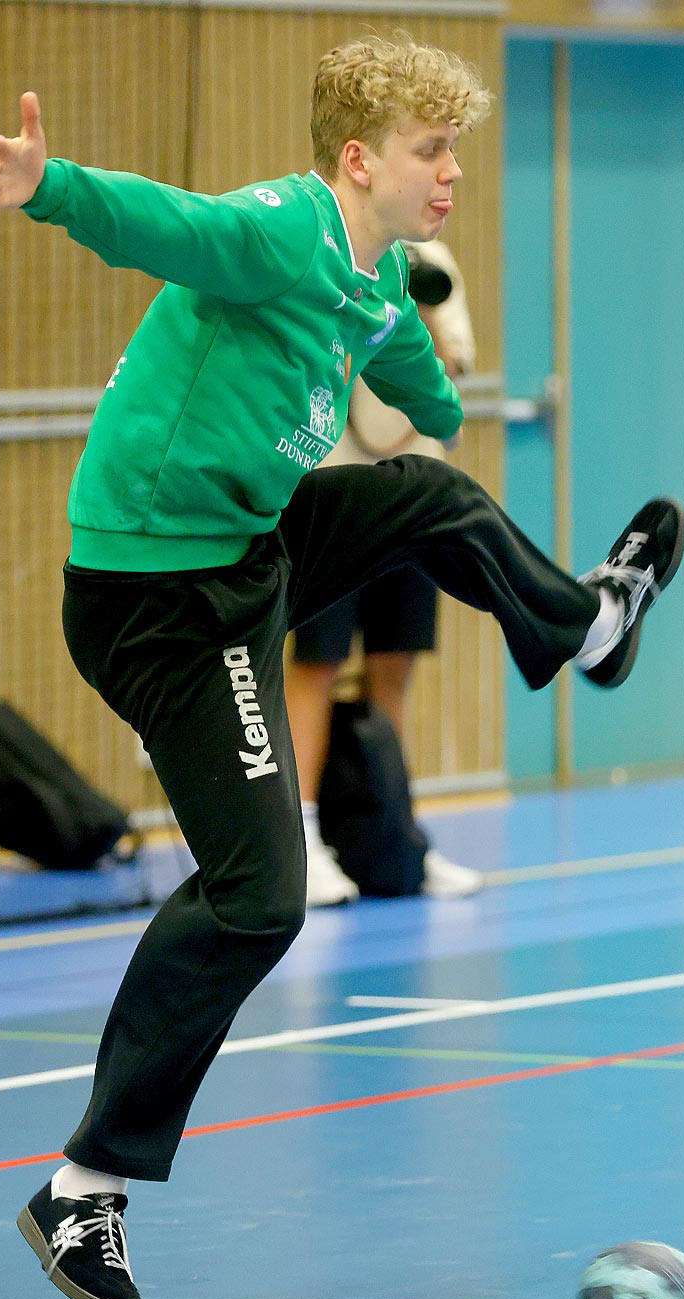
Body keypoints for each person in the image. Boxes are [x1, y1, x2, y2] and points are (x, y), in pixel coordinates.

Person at [0, 35, 684, 1299]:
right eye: (432, 148)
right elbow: (166, 227)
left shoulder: (369, 281)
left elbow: (429, 397)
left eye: (456, 148)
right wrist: (49, 182)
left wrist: (409, 355)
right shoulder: (283, 231)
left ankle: (583, 629)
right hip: (154, 595)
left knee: (423, 494)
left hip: (244, 551)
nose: (453, 170)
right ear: (359, 159)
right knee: (259, 899)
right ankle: (85, 1187)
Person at [286, 234, 484, 905]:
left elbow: (453, 364)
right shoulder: (327, 254)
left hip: (412, 494)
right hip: (334, 496)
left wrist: (419, 322)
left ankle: (395, 832)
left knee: (393, 666)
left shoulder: (437, 263)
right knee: (316, 664)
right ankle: (302, 840)